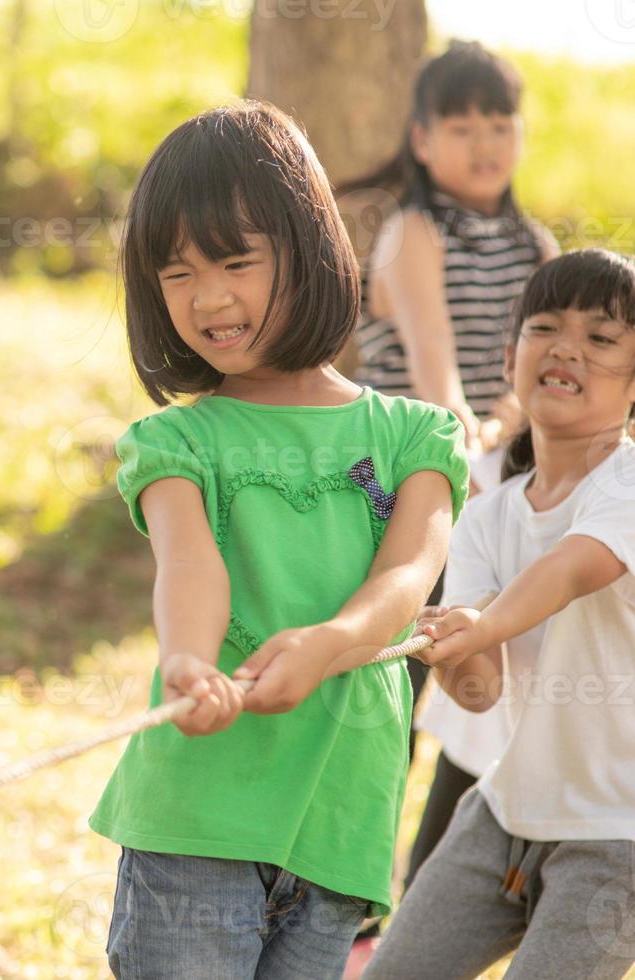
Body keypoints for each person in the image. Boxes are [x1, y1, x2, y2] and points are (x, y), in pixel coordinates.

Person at [91, 101, 469, 980]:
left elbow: (412, 570)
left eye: (234, 260)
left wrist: (335, 643)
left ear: (307, 248)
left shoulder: (417, 436)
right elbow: (190, 561)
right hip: (198, 817)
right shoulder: (176, 443)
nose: (209, 296)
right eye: (175, 272)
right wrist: (188, 659)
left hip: (339, 824)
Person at [336, 44, 559, 971]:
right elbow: (437, 381)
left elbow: (536, 378)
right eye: (461, 126)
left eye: (499, 124)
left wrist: (507, 430)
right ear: (422, 139)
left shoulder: (534, 245)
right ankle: (348, 916)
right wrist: (478, 440)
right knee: (388, 700)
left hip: (490, 495)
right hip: (405, 494)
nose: (484, 144)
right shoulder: (412, 234)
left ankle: (428, 906)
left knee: (475, 707)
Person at [363, 249, 635, 979]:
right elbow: (482, 691)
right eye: (544, 326)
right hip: (505, 813)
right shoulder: (487, 516)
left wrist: (479, 623)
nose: (567, 347)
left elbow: (574, 566)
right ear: (511, 353)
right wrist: (447, 643)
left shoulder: (628, 483)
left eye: (602, 339)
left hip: (620, 839)